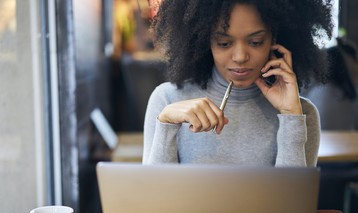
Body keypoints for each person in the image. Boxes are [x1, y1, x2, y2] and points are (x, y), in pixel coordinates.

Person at [142, 0, 334, 167]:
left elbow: (295, 205)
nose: (240, 57)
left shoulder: (302, 114)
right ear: (204, 39)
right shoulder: (167, 101)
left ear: (273, 39)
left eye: (256, 42)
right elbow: (151, 199)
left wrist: (291, 117)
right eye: (224, 43)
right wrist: (166, 124)